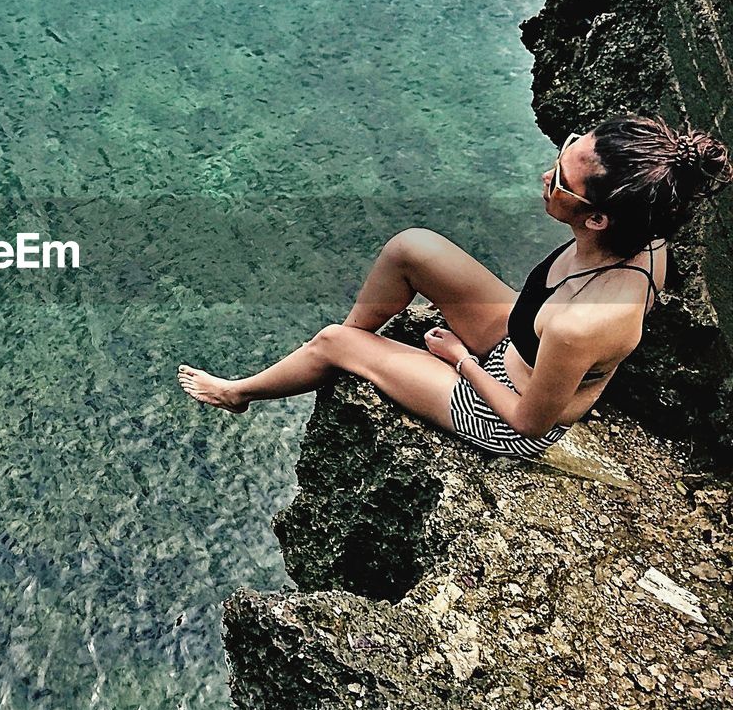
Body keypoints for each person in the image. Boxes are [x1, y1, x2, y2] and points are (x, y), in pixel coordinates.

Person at [177, 113, 733, 459]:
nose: (547, 176)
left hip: (503, 412)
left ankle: (241, 393)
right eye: (563, 153)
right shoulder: (647, 240)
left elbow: (530, 420)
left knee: (331, 342)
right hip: (522, 343)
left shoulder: (580, 323)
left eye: (562, 180)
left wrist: (461, 357)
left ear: (597, 219)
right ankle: (359, 353)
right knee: (411, 247)